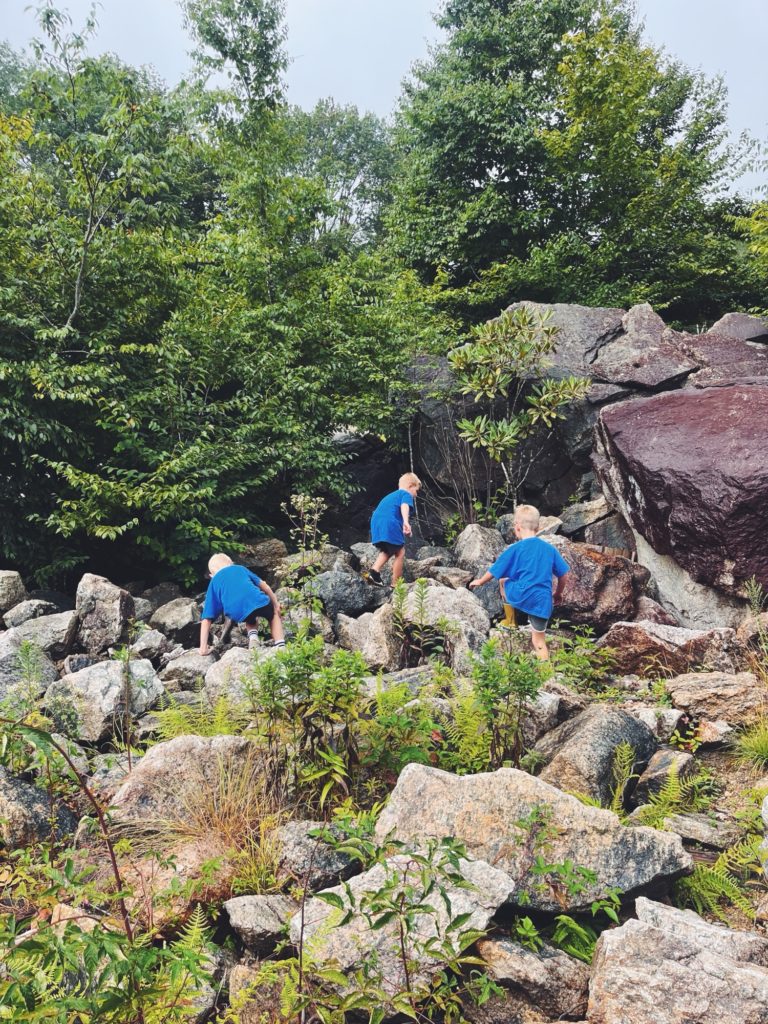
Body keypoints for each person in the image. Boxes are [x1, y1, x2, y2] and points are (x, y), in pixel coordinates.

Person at [469, 505, 569, 660]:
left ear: (517, 527)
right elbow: (563, 575)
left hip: (520, 593)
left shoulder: (515, 548)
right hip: (542, 600)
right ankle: (547, 675)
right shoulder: (549, 549)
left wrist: (480, 581)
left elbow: (496, 570)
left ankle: (510, 620)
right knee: (539, 641)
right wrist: (558, 594)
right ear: (538, 527)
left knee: (503, 579)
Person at [199, 553, 285, 655]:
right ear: (231, 564)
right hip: (258, 601)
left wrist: (203, 648)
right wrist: (276, 604)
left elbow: (207, 618)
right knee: (272, 614)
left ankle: (253, 639)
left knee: (248, 615)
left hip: (235, 612)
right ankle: (281, 646)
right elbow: (265, 586)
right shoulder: (240, 568)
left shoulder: (214, 582)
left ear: (212, 575)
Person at [364, 473, 421, 587]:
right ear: (410, 486)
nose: (416, 495)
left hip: (376, 522)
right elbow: (404, 506)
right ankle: (396, 584)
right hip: (389, 522)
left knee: (389, 549)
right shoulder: (405, 494)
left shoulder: (392, 495)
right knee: (400, 552)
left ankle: (374, 572)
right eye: (416, 490)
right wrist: (406, 521)